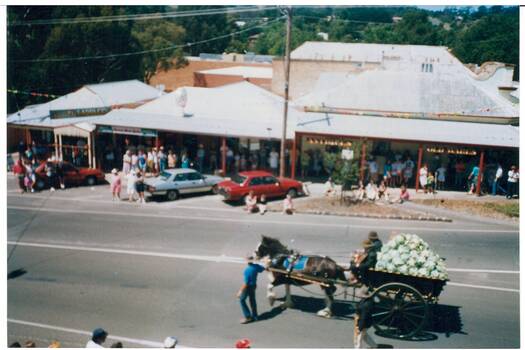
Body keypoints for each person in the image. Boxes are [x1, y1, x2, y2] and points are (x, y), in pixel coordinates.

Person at [237, 255, 265, 324]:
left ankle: (248, 317)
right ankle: (255, 316)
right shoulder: (256, 267)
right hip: (254, 286)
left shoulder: (247, 270)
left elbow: (246, 283)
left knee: (242, 300)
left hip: (248, 287)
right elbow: (263, 269)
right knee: (252, 300)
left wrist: (240, 291)